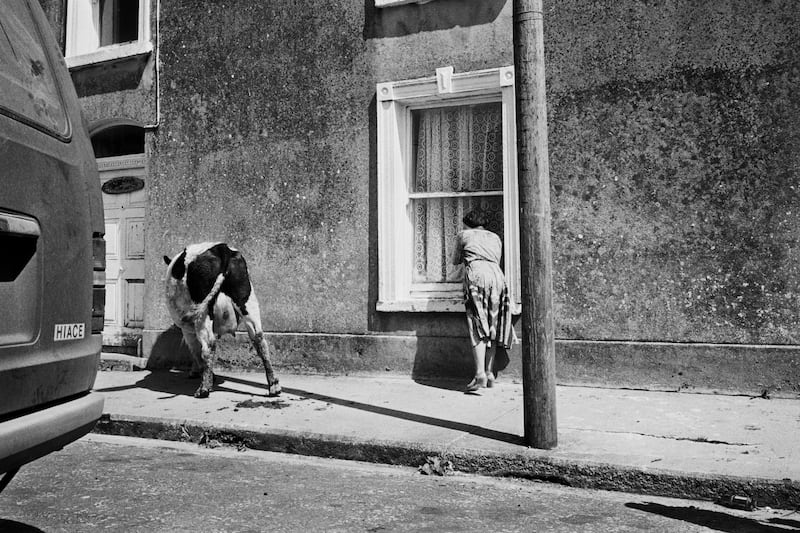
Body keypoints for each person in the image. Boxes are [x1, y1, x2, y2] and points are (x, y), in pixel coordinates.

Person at [451, 209, 514, 392]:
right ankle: (490, 372)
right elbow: (496, 258)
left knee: (477, 325)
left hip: (477, 275)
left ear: (467, 223)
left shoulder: (463, 234)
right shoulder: (495, 237)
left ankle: (479, 374)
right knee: (493, 323)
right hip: (497, 277)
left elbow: (455, 261)